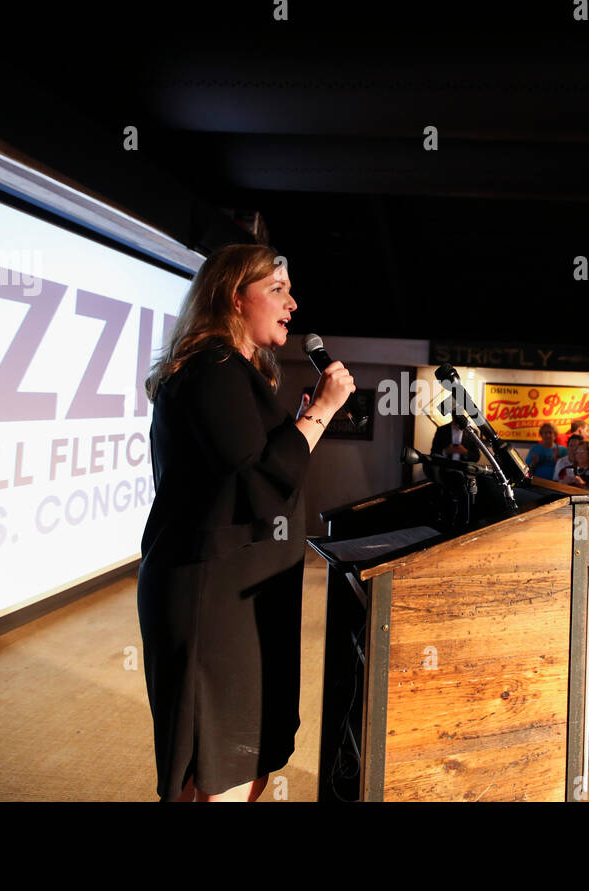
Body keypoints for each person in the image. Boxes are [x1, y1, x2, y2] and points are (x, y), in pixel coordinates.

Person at [137, 244, 355, 802]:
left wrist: (307, 420)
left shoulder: (231, 371)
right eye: (277, 289)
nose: (293, 302)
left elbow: (256, 470)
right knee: (218, 770)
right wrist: (321, 410)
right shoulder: (214, 367)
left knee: (245, 759)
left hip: (244, 598)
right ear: (235, 297)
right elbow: (259, 484)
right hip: (214, 601)